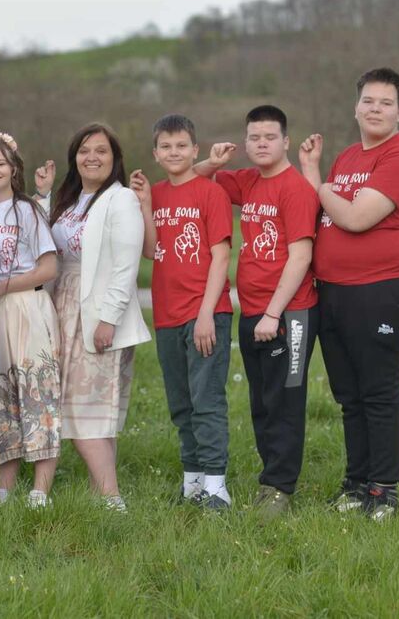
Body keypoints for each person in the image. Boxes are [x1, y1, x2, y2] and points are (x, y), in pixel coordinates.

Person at [298, 67, 399, 521]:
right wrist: (318, 178)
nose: (375, 109)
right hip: (334, 292)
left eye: (386, 103)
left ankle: (383, 489)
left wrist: (319, 184)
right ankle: (356, 483)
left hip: (381, 291)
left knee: (378, 391)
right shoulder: (349, 157)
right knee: (349, 396)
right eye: (368, 101)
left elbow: (354, 218)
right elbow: (322, 212)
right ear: (356, 107)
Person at [190, 105, 320, 519]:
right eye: (254, 138)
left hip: (288, 314)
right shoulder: (247, 181)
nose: (262, 144)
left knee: (285, 402)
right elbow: (193, 179)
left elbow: (301, 256)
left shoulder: (295, 188)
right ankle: (270, 480)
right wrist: (214, 161)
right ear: (245, 142)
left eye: (270, 137)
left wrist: (273, 314)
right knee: (262, 402)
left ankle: (280, 489)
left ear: (286, 141)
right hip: (253, 313)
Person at [131, 114, 233, 511]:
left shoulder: (211, 192)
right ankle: (193, 482)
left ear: (195, 150)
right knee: (181, 402)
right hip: (167, 314)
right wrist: (144, 205)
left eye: (181, 146)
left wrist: (206, 314)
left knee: (206, 400)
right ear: (156, 153)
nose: (174, 152)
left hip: (205, 313)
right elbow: (150, 250)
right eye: (166, 146)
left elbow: (221, 256)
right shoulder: (155, 193)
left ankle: (217, 486)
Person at [48, 122, 150, 513]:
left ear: (115, 158)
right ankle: (101, 496)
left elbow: (126, 266)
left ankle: (111, 498)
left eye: (101, 150)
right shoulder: (69, 199)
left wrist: (108, 319)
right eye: (84, 150)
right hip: (64, 306)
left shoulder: (120, 199)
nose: (92, 157)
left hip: (97, 313)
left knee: (83, 411)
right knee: (86, 410)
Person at [0, 130, 62, 508]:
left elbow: (48, 268)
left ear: (13, 168)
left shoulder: (27, 210)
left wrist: (6, 285)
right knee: (0, 397)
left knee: (38, 393)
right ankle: (3, 488)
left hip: (26, 306)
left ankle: (40, 489)